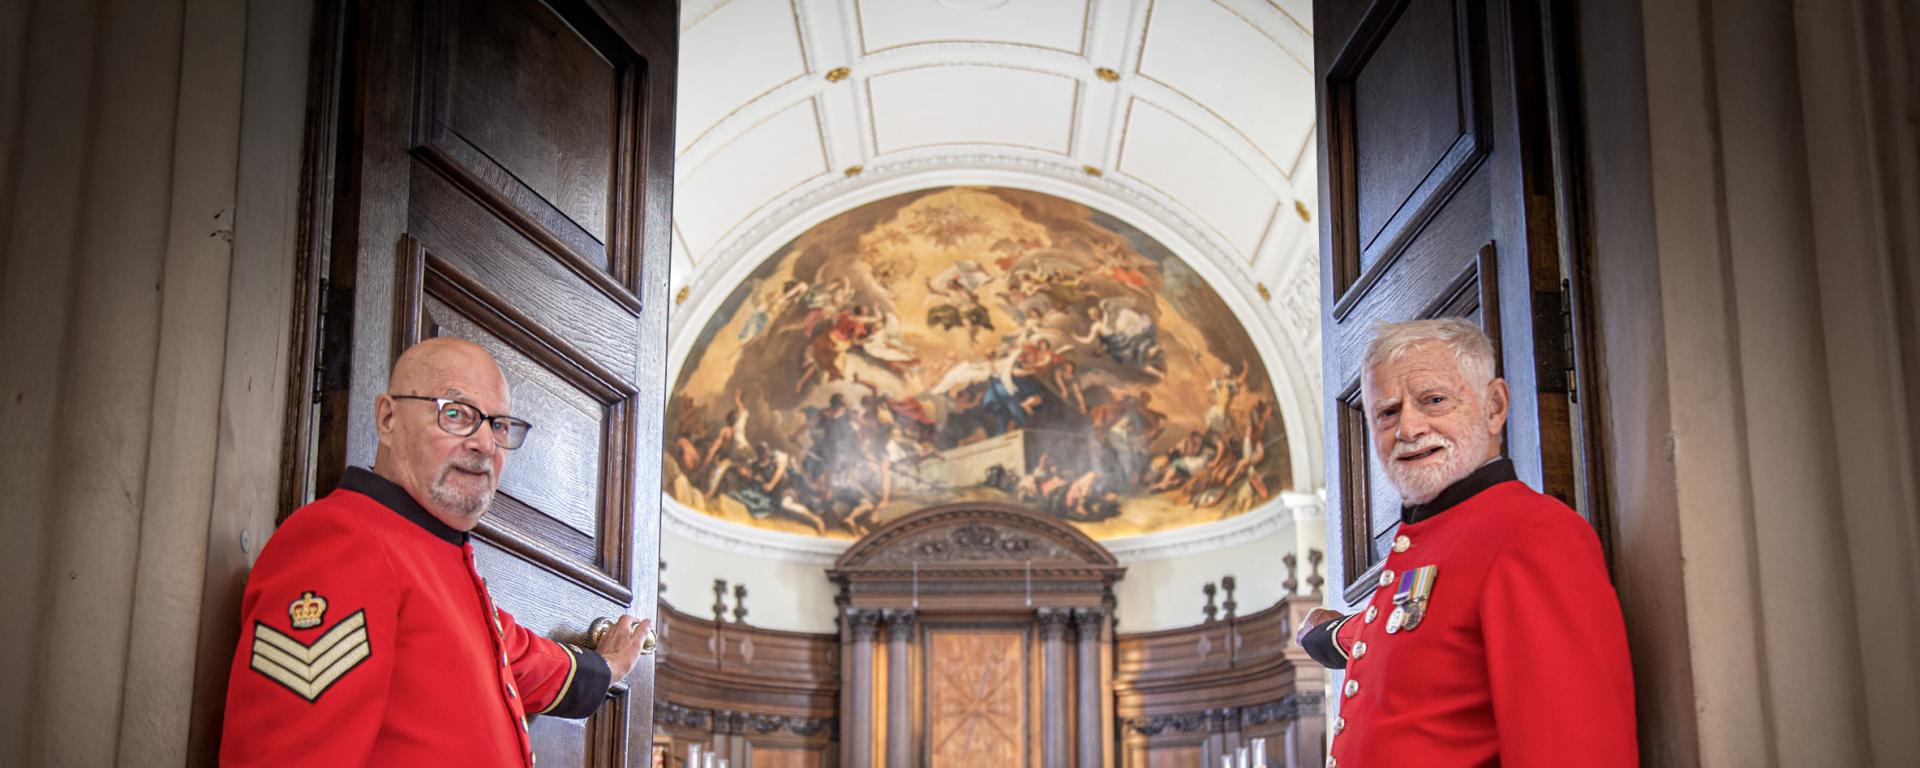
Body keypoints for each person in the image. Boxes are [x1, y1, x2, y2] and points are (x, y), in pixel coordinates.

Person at [220, 338, 653, 767]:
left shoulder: (446, 569)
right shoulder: (342, 539)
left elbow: (519, 660)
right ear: (388, 419)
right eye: (456, 413)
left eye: (499, 425)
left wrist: (608, 666)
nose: (485, 442)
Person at [1293, 318, 1635, 767]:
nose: (1408, 428)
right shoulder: (1424, 543)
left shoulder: (1534, 535)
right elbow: (1412, 636)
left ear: (1494, 406)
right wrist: (1329, 633)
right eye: (1387, 412)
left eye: (1434, 400)